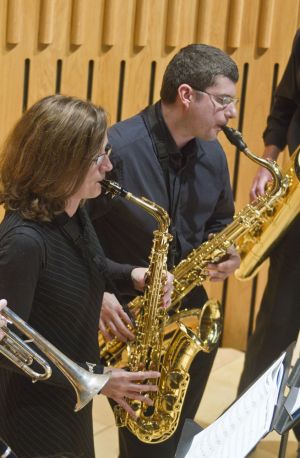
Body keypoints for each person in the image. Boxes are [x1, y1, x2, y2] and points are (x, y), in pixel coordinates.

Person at [89, 43, 241, 458]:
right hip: (128, 317)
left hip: (188, 313)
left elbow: (219, 221)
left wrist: (228, 249)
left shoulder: (213, 152)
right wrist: (99, 289)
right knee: (143, 446)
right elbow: (69, 234)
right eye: (224, 101)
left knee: (176, 436)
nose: (232, 114)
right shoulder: (115, 151)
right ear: (187, 95)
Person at [0, 95, 163, 458]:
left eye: (107, 152)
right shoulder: (24, 243)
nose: (108, 166)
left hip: (71, 396)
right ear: (63, 163)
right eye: (98, 157)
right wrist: (98, 381)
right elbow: (9, 351)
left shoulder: (70, 209)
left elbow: (89, 266)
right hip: (33, 414)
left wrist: (134, 276)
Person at [237, 29, 300, 453]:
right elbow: (286, 101)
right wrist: (269, 158)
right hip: (298, 191)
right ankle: (246, 421)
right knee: (278, 316)